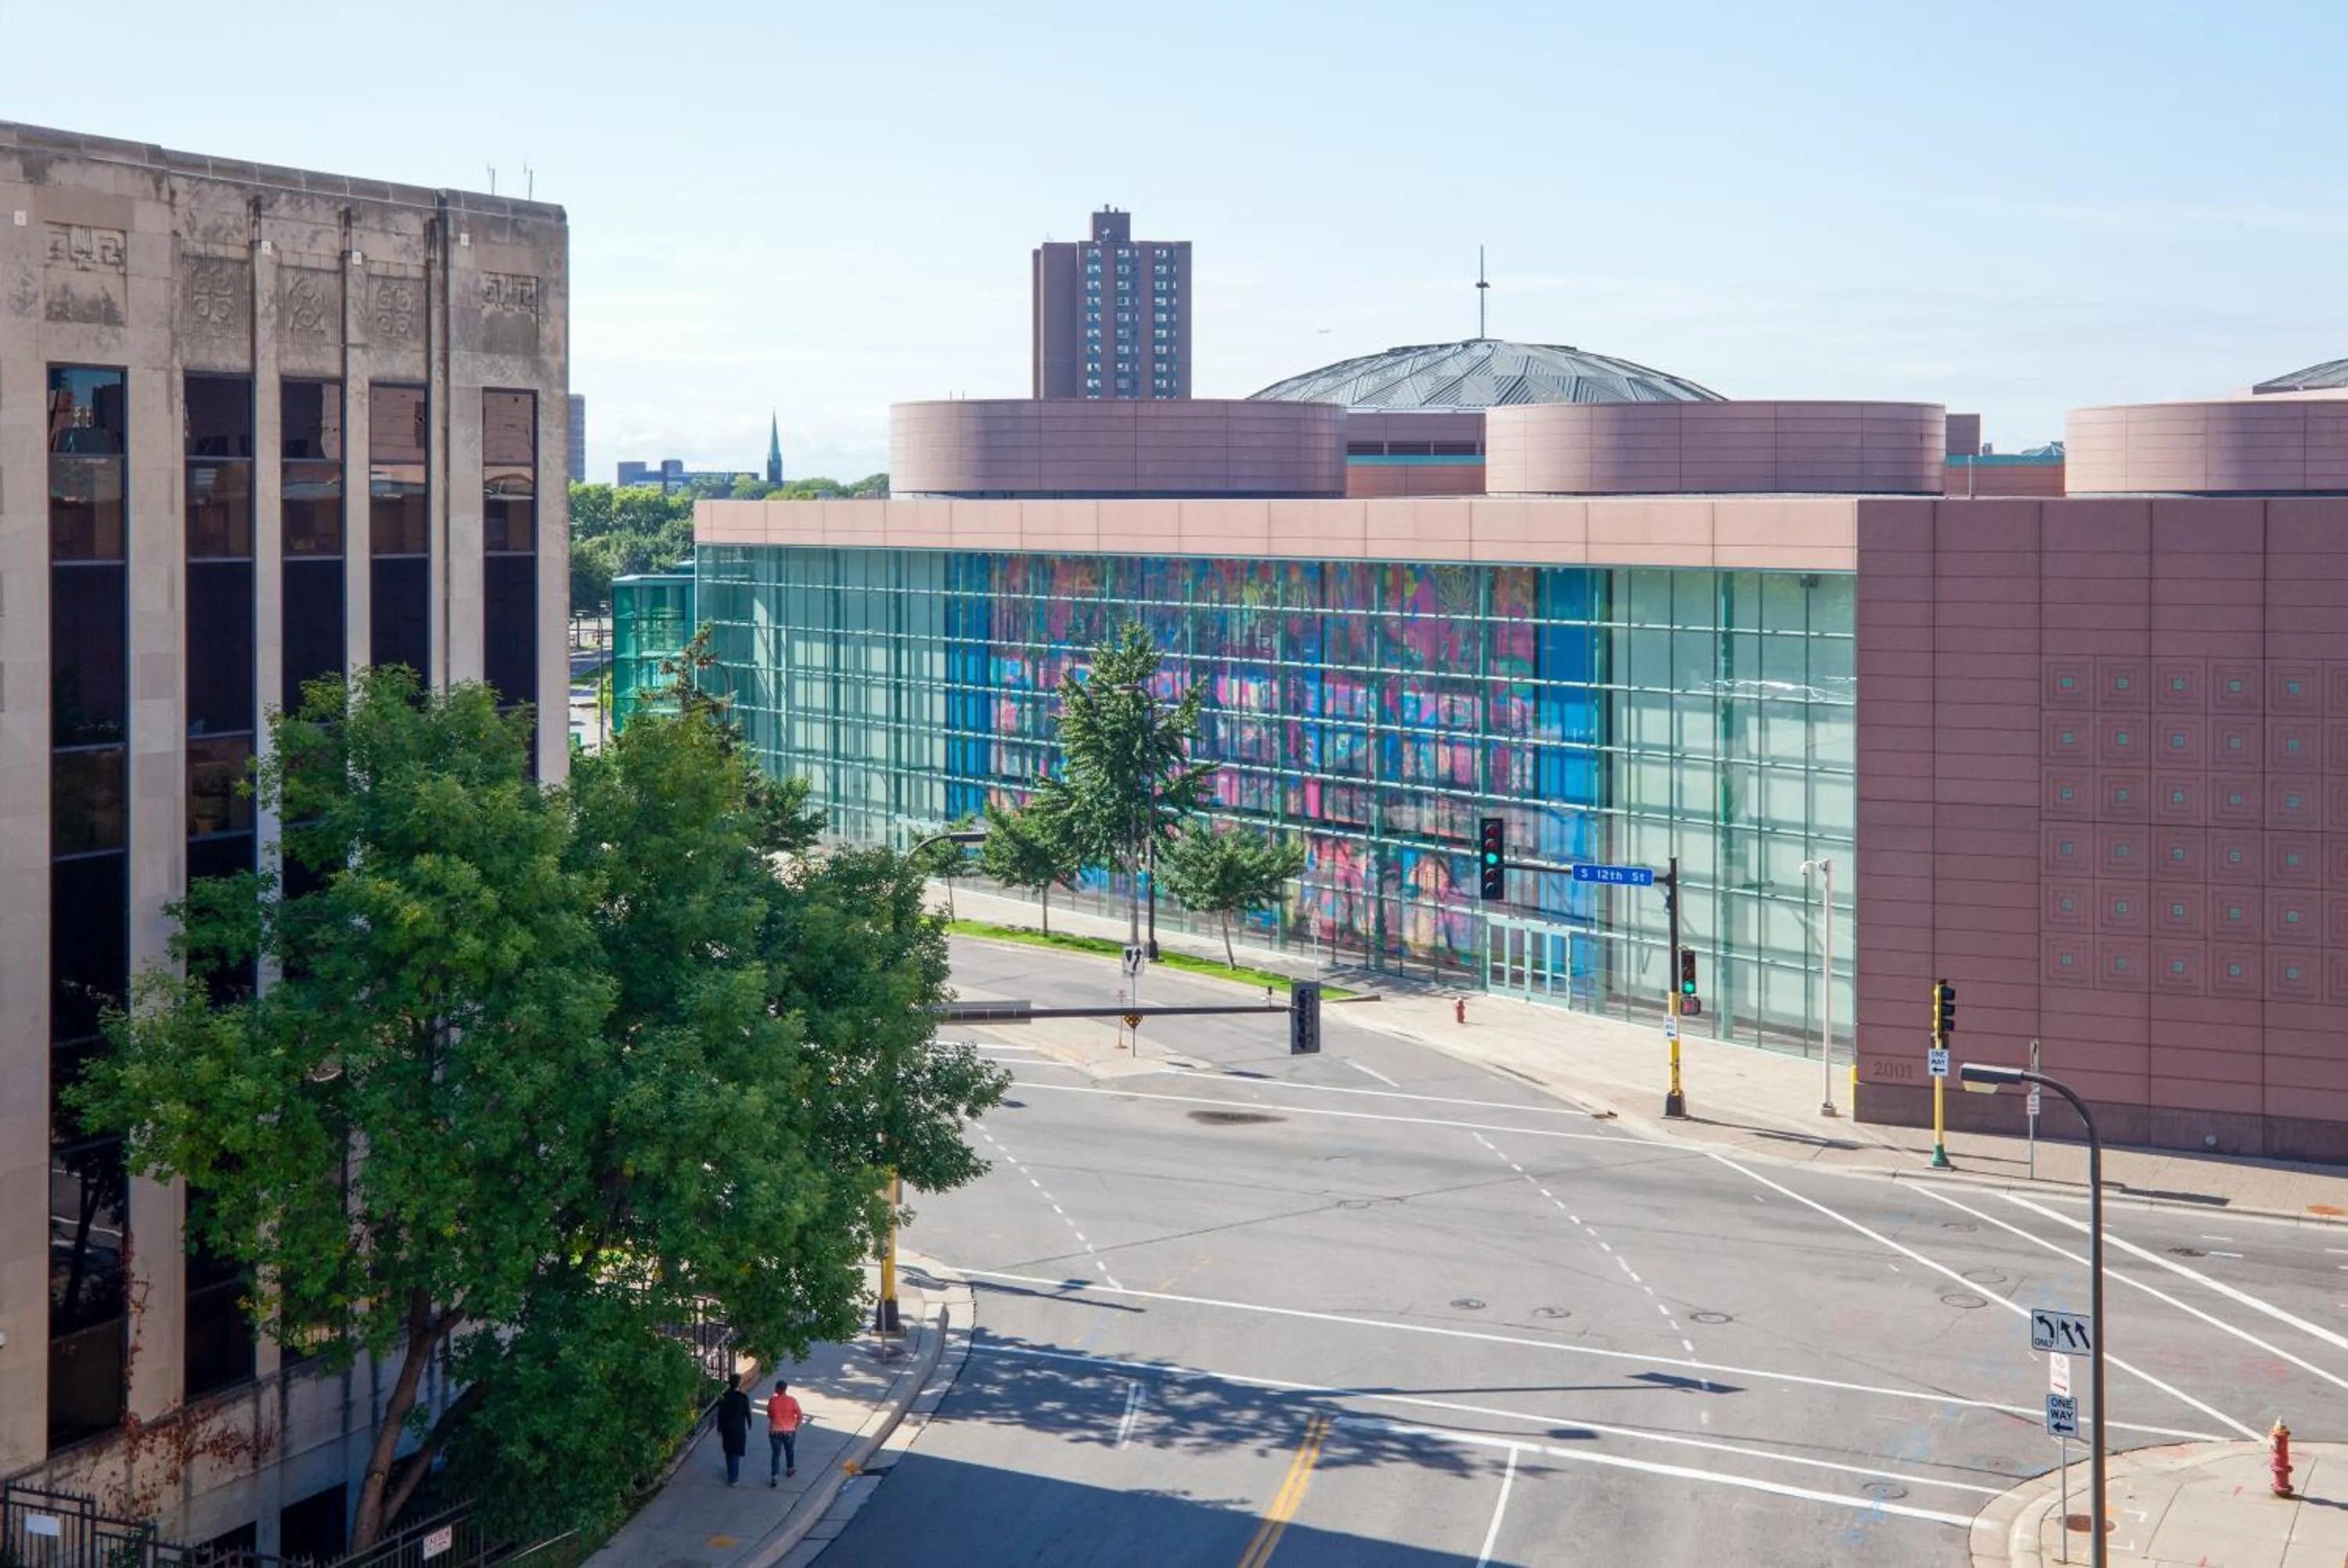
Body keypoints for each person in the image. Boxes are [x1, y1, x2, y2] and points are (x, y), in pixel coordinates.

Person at [716, 1372, 752, 1486]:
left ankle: (730, 1472)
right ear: (739, 1383)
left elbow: (720, 1414)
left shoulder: (724, 1397)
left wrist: (719, 1427)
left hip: (726, 1427)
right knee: (735, 1452)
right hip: (738, 1428)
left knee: (728, 1450)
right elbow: (747, 1412)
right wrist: (749, 1423)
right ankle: (733, 1477)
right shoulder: (742, 1397)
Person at [767, 1378, 805, 1486]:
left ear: (777, 1389)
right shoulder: (792, 1400)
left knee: (776, 1454)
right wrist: (795, 1426)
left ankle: (774, 1476)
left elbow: (770, 1414)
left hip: (775, 1431)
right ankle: (790, 1468)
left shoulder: (772, 1400)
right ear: (785, 1389)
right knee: (789, 1450)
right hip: (789, 1430)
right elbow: (800, 1415)